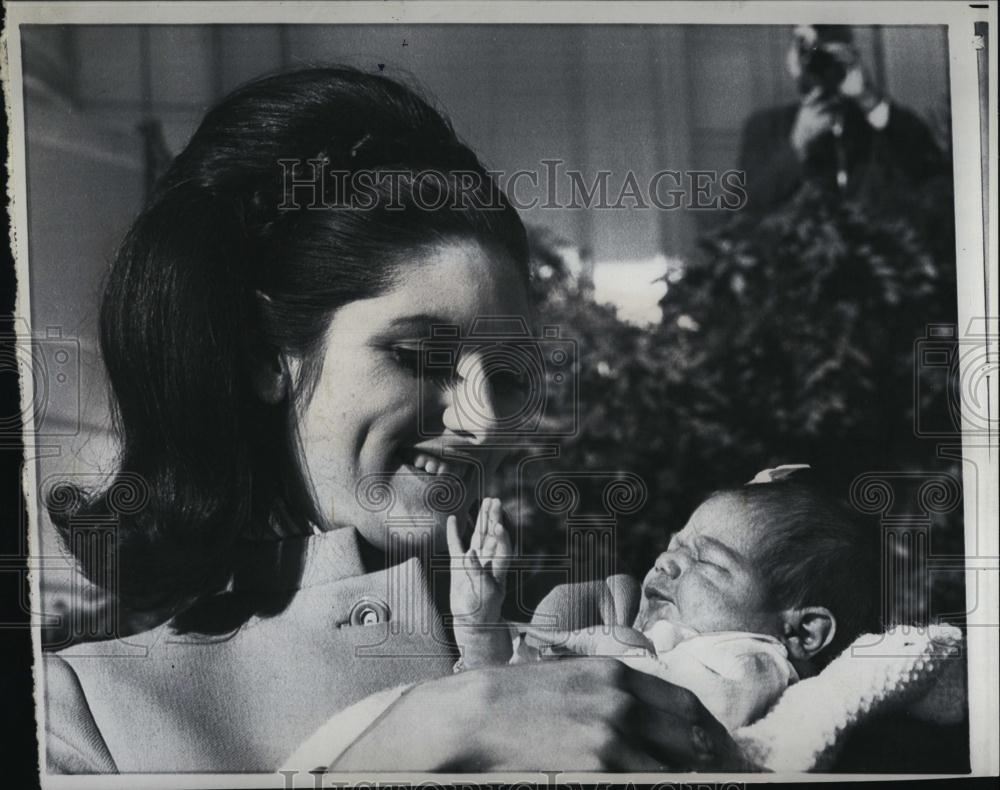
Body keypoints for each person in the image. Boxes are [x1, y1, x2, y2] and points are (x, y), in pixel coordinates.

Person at [41, 67, 745, 774]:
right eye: (419, 355)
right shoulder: (86, 714)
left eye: (505, 376)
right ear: (262, 355)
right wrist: (401, 746)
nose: (481, 420)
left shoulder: (607, 644)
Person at [446, 472, 881, 733]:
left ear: (801, 631)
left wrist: (622, 651)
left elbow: (700, 714)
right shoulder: (668, 641)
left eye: (706, 560)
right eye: (674, 546)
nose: (666, 561)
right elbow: (512, 704)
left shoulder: (754, 662)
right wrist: (482, 629)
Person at [738, 25, 946, 215]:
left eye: (831, 57)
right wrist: (797, 145)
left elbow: (932, 178)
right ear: (792, 61)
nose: (821, 67)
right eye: (809, 55)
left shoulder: (881, 123)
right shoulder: (765, 127)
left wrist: (870, 100)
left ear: (853, 56)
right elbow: (744, 211)